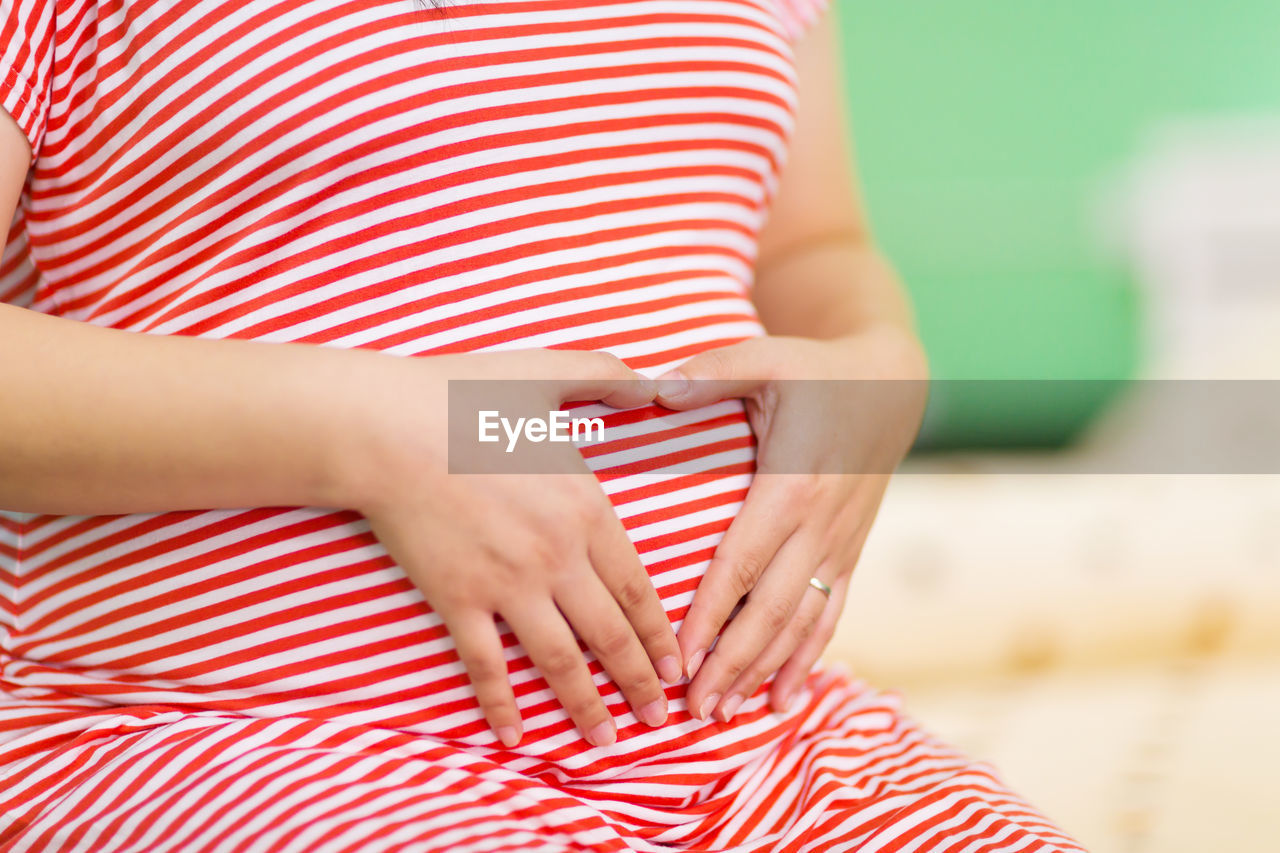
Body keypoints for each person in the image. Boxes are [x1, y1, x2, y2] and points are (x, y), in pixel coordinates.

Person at [0, 0, 1085, 849]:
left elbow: (810, 250)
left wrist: (879, 370)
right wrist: (384, 433)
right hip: (239, 746)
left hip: (765, 756)